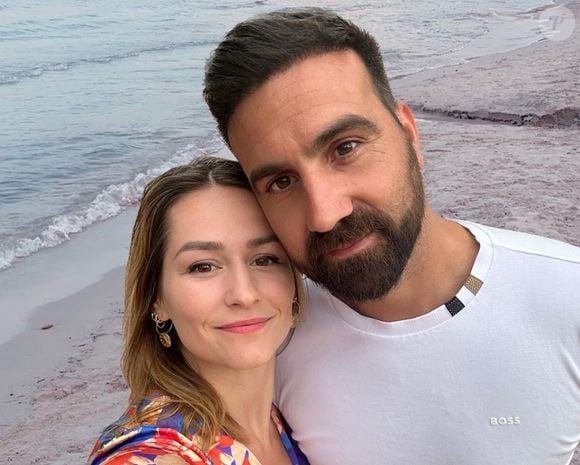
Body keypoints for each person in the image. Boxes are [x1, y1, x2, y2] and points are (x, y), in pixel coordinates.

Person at [203, 7, 580, 464]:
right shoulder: (267, 343)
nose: (324, 214)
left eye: (345, 148)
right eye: (281, 182)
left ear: (409, 134)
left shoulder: (568, 297)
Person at [88, 157, 309, 465]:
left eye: (265, 259)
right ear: (156, 298)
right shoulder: (156, 451)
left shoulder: (295, 421)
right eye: (203, 266)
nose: (244, 294)